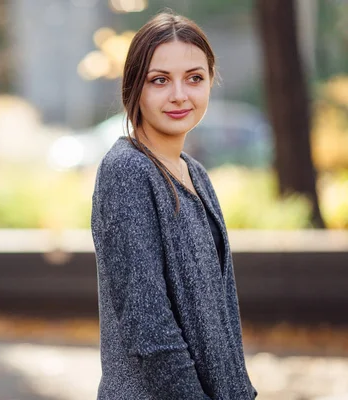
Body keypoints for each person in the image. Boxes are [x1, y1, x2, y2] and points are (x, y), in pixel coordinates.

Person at [90, 12, 258, 399]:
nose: (180, 94)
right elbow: (149, 327)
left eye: (194, 78)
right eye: (160, 80)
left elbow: (222, 317)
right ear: (135, 87)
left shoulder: (195, 173)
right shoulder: (127, 171)